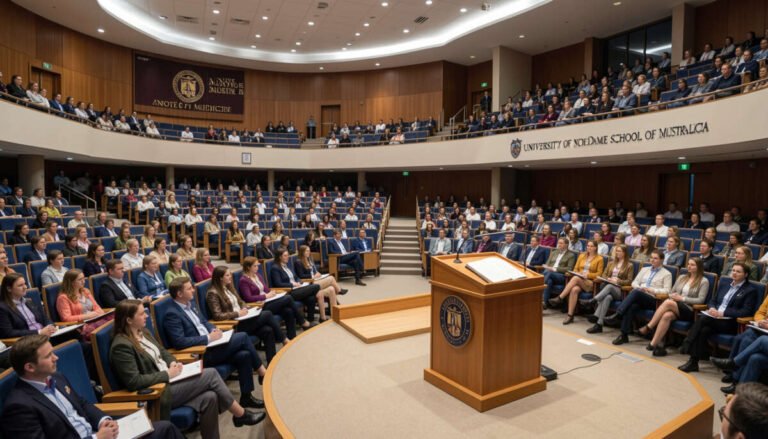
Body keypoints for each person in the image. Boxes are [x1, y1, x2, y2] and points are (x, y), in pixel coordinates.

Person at [110, 300, 264, 438]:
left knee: (209, 397)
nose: (146, 316)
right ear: (129, 320)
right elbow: (134, 381)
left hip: (173, 378)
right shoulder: (121, 346)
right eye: (142, 313)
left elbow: (163, 352)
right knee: (210, 374)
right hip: (159, 394)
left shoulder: (143, 332)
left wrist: (172, 363)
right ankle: (240, 414)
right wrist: (167, 374)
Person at [1, 333, 183, 439]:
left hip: (99, 432)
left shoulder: (56, 377)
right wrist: (96, 438)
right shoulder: (19, 406)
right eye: (48, 356)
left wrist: (103, 420)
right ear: (30, 367)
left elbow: (82, 403)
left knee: (165, 428)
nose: (56, 358)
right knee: (165, 430)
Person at [163, 277, 268, 402]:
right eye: (189, 288)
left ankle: (246, 398)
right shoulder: (171, 314)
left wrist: (214, 330)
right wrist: (208, 338)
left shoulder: (191, 304)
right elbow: (179, 342)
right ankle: (263, 373)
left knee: (244, 355)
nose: (193, 290)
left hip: (213, 345)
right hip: (202, 353)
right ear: (179, 294)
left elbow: (204, 322)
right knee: (243, 337)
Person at [678, 263, 758, 373]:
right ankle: (693, 362)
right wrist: (712, 309)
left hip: (730, 322)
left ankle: (687, 342)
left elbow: (746, 311)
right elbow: (712, 301)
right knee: (703, 330)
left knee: (703, 319)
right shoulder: (725, 284)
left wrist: (723, 313)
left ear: (746, 274)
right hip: (714, 318)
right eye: (733, 270)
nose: (734, 273)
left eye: (738, 271)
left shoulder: (750, 290)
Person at [206, 266, 285, 361]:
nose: (230, 277)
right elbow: (217, 316)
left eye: (230, 274)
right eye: (227, 275)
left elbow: (241, 301)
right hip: (234, 325)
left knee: (267, 330)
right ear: (220, 278)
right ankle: (284, 339)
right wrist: (237, 313)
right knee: (267, 314)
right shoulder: (212, 293)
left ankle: (272, 362)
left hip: (244, 319)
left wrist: (244, 307)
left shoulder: (229, 286)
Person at [641, 258, 710, 356]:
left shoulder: (704, 281)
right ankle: (653, 344)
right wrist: (673, 296)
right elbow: (671, 292)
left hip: (690, 310)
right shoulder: (682, 277)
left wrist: (682, 299)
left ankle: (649, 326)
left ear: (699, 267)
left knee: (669, 303)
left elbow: (700, 300)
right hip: (676, 307)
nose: (689, 266)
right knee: (667, 315)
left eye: (692, 265)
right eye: (688, 264)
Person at [605, 250, 673, 344]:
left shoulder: (667, 273)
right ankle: (624, 335)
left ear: (661, 260)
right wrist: (641, 288)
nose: (652, 260)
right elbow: (634, 282)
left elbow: (667, 291)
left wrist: (651, 290)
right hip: (640, 296)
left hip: (653, 300)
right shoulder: (645, 269)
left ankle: (618, 314)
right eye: (651, 258)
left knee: (636, 293)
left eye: (655, 258)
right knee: (631, 307)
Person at [548, 240, 604, 324]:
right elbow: (575, 268)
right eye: (588, 246)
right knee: (574, 289)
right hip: (579, 280)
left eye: (591, 246)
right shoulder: (582, 256)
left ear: (595, 248)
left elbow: (599, 273)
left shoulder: (599, 259)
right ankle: (570, 315)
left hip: (590, 283)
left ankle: (560, 297)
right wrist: (578, 273)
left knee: (575, 278)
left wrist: (588, 275)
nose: (589, 247)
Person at [583, 244, 634, 334]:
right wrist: (608, 279)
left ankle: (593, 301)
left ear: (625, 253)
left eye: (619, 251)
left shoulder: (629, 265)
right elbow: (604, 275)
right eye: (616, 251)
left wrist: (618, 281)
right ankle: (599, 325)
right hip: (608, 289)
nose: (617, 253)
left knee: (610, 287)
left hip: (620, 291)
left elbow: (630, 281)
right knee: (607, 298)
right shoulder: (611, 263)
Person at [269, 248, 323, 321]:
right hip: (289, 292)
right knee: (316, 286)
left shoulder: (287, 265)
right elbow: (278, 284)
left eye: (288, 255)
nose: (287, 257)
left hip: (297, 288)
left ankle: (311, 319)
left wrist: (299, 282)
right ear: (279, 257)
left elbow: (296, 277)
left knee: (311, 297)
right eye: (285, 256)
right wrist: (292, 284)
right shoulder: (275, 268)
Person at [0, 273, 57, 339]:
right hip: (28, 341)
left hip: (46, 335)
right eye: (20, 285)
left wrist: (50, 326)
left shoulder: (29, 301)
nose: (25, 287)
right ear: (9, 289)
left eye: (25, 284)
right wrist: (39, 332)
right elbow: (8, 332)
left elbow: (45, 318)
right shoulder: (2, 308)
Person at [540, 238, 577, 306]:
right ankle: (544, 303)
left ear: (566, 245)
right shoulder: (554, 252)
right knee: (549, 281)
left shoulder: (571, 255)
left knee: (548, 273)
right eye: (558, 243)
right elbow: (547, 264)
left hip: (561, 276)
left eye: (561, 243)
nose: (559, 245)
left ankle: (539, 292)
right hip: (549, 274)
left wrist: (555, 269)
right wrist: (547, 267)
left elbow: (569, 268)